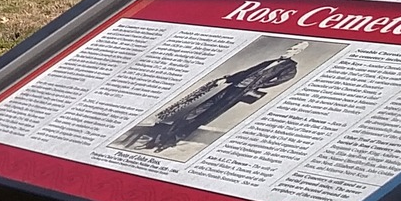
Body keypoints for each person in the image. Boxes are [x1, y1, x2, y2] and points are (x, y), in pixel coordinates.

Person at [114, 42, 311, 154]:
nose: (290, 50)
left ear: (299, 52)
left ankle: (170, 140)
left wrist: (256, 86)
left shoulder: (289, 67)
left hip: (239, 94)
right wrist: (228, 78)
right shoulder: (271, 60)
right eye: (291, 47)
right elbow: (248, 71)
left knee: (203, 117)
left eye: (295, 49)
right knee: (194, 111)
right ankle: (162, 138)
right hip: (232, 87)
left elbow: (281, 80)